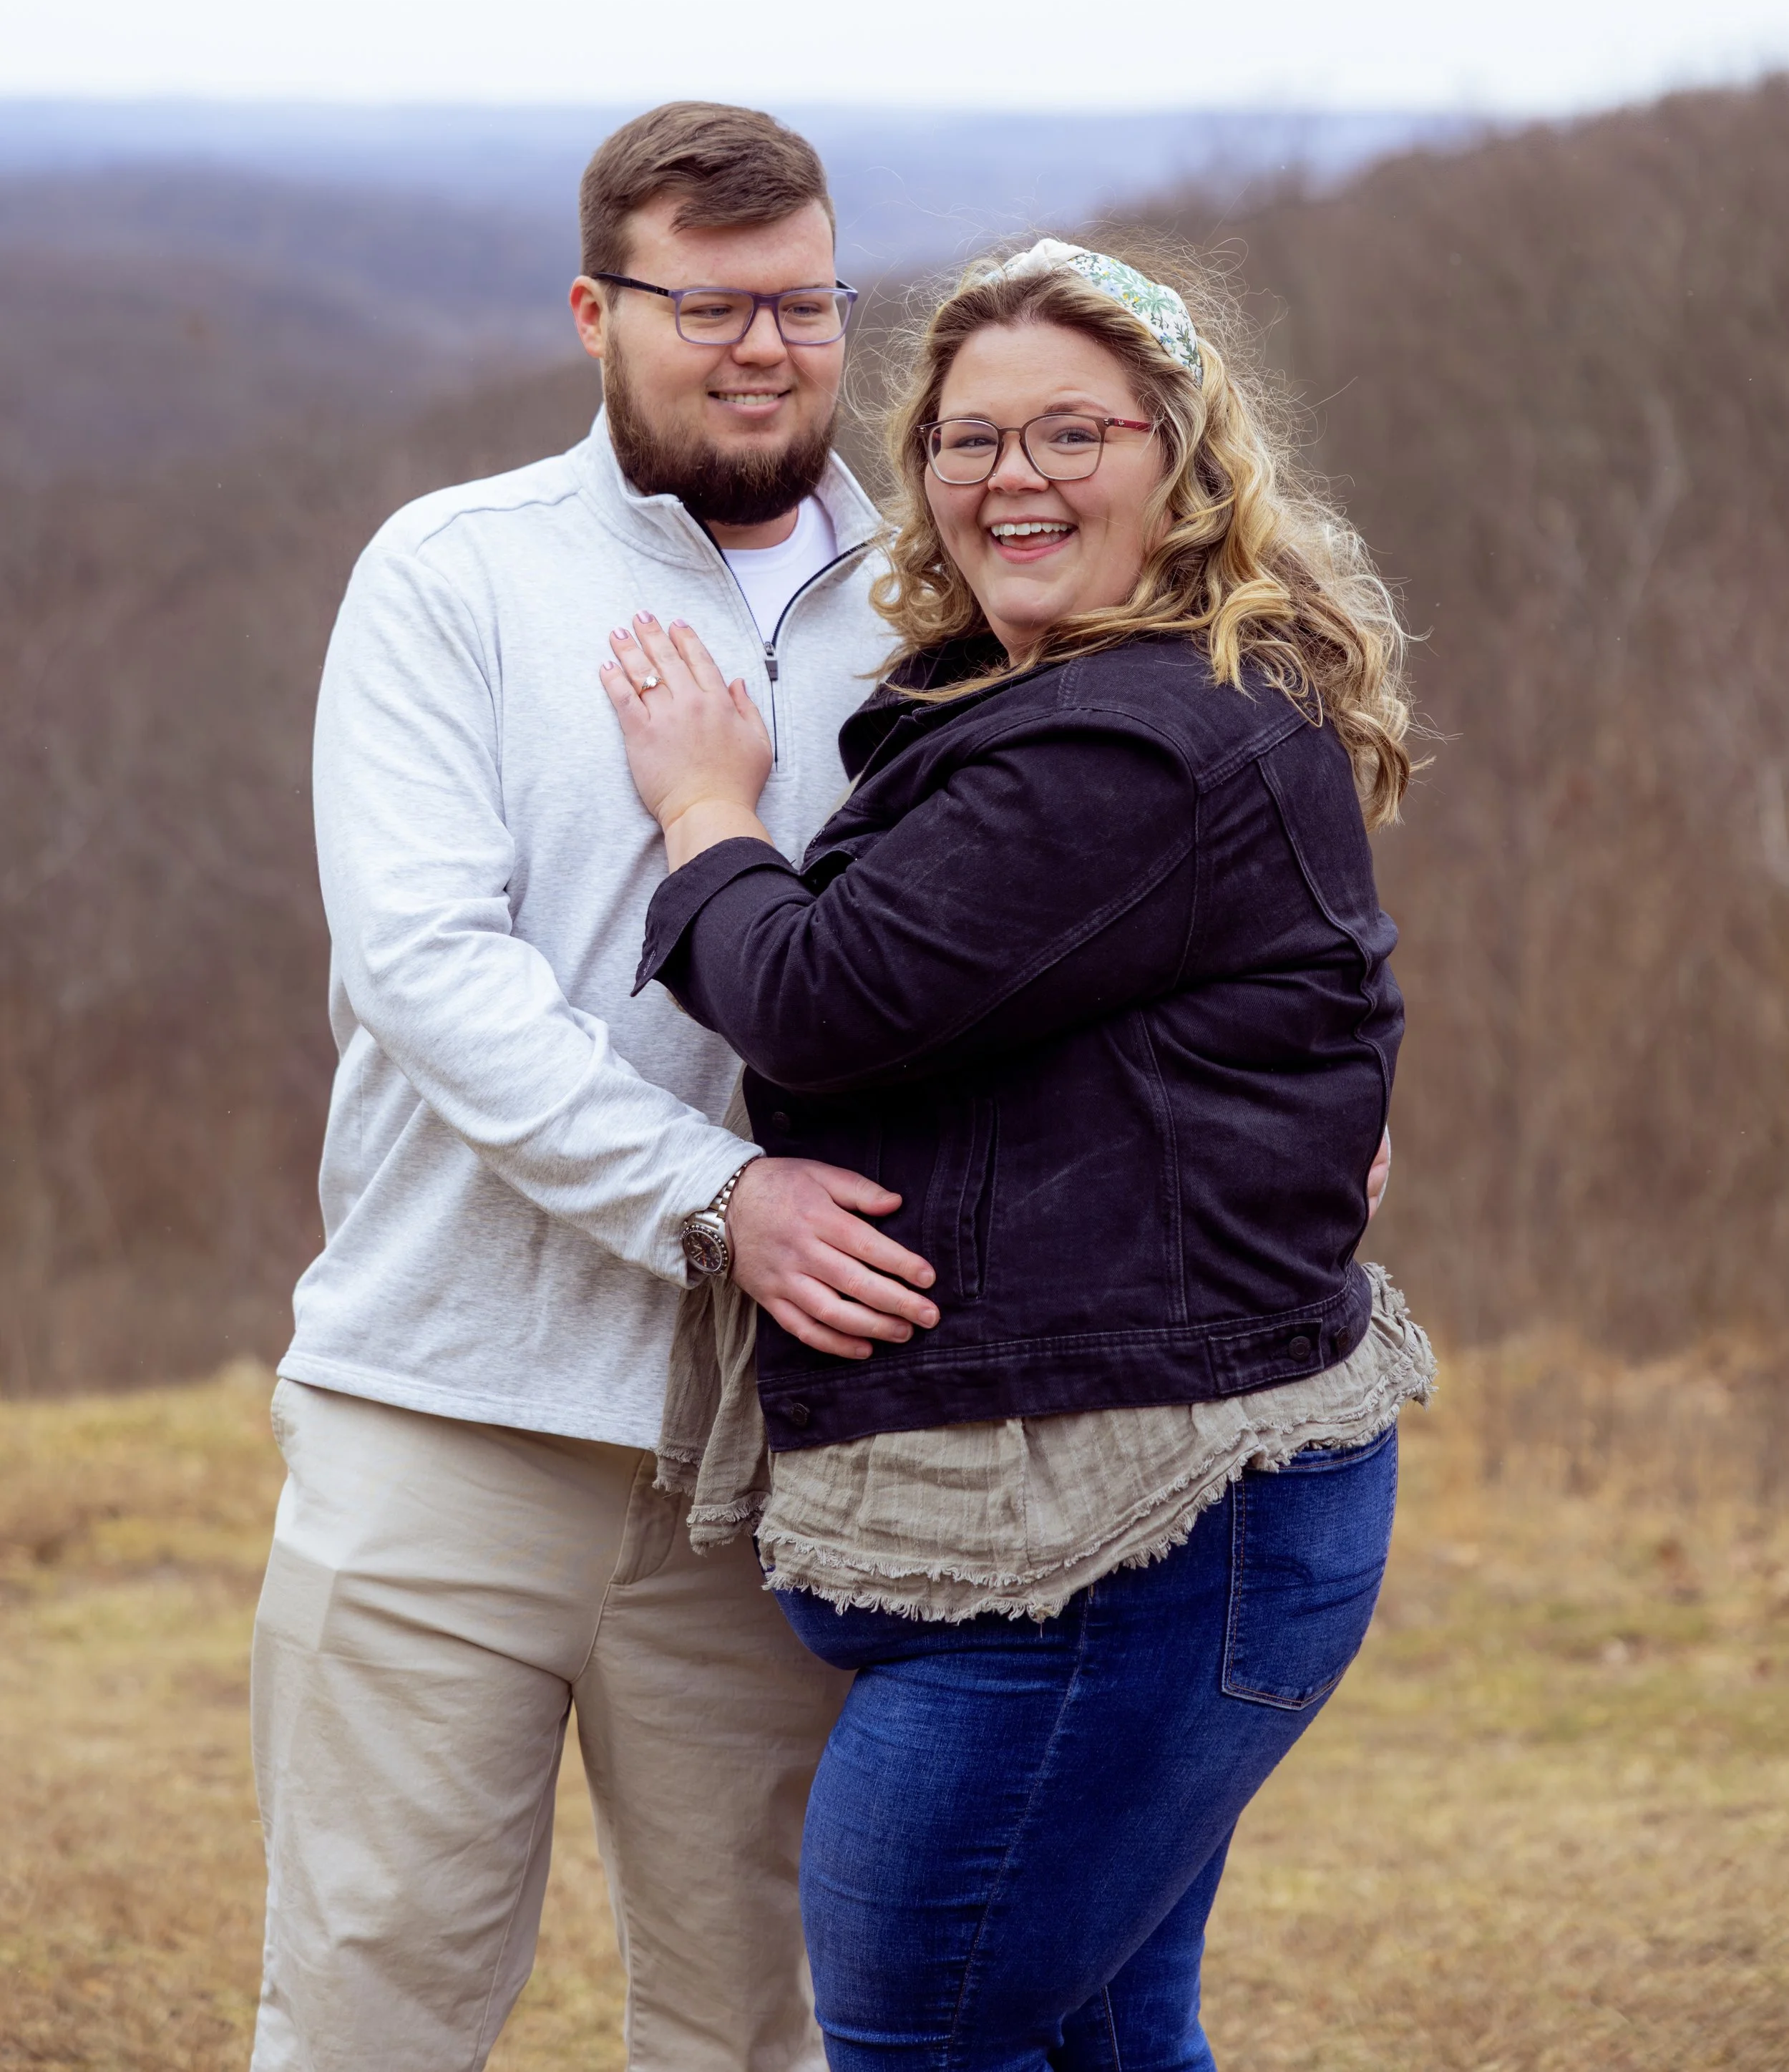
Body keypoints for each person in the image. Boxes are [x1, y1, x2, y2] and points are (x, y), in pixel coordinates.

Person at [600, 239, 1434, 2072]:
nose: (1014, 476)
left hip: (1113, 1547)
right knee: (1103, 2042)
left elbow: (817, 997)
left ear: (1181, 458)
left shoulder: (1131, 738)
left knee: (926, 2037)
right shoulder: (1103, 696)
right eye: (970, 439)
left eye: (1075, 431)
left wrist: (703, 810)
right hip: (1104, 1517)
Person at [248, 102, 941, 2072]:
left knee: (754, 2021)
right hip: (442, 1409)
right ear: (591, 310)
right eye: (708, 304)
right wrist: (714, 1197)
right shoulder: (448, 574)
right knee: (370, 2000)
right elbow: (429, 971)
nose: (763, 347)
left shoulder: (939, 606)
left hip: (780, 1454)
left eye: (803, 301)